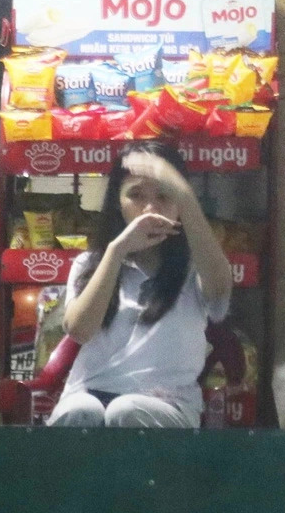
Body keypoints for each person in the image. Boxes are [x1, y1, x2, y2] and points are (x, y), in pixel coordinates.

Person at [48, 144, 233, 428]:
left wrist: (183, 193)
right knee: (79, 414)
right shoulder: (90, 263)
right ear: (117, 203)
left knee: (127, 412)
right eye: (135, 195)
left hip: (168, 404)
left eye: (164, 196)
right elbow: (79, 330)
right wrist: (117, 251)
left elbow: (220, 287)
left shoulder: (196, 267)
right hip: (88, 395)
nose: (150, 209)